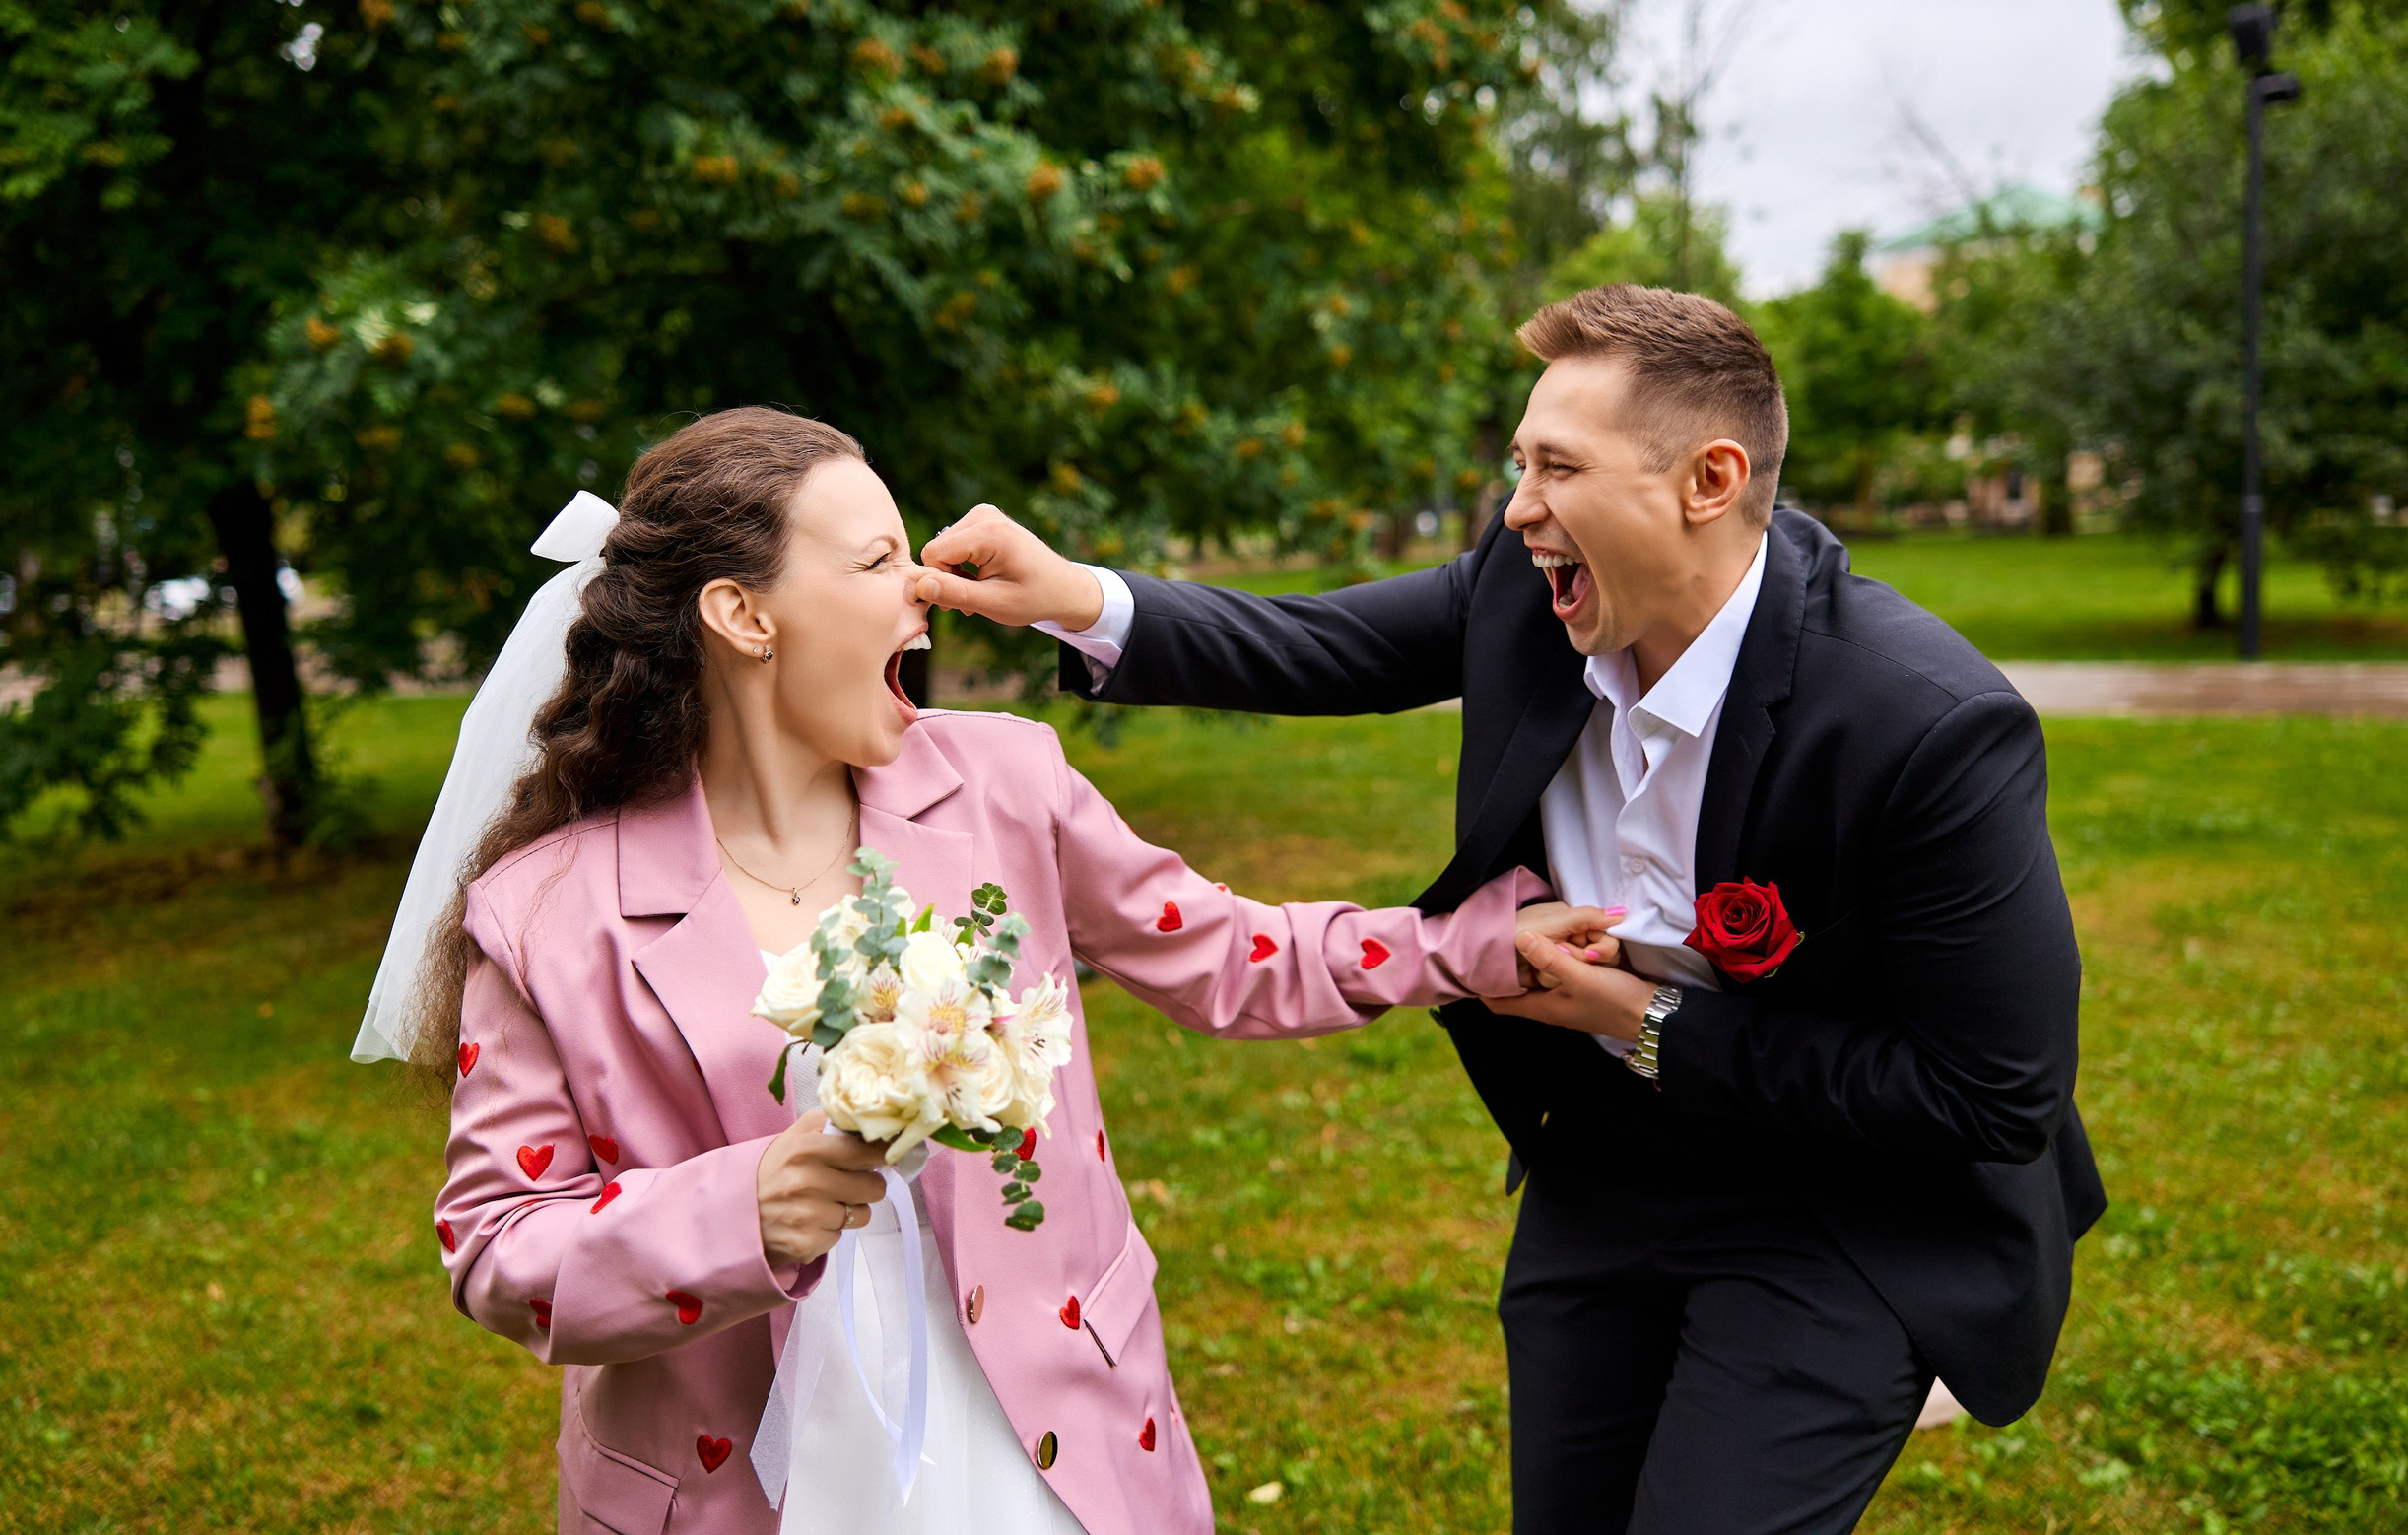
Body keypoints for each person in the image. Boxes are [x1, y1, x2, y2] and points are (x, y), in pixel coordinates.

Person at [912, 284, 2107, 1535]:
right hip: (1599, 1159)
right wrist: (1073, 596)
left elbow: (1991, 1095)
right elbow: (1321, 644)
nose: (1520, 507)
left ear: (1707, 481)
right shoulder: (1529, 588)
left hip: (1836, 1200)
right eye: (1518, 465)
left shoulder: (1925, 725)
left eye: (1558, 468)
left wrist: (1645, 1022)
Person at [353, 407, 1551, 1535]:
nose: (923, 591)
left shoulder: (1005, 786)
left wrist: (1468, 947)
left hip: (1043, 1437)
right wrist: (742, 1209)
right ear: (744, 615)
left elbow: (1229, 953)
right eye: (878, 562)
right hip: (748, 1484)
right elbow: (500, 1249)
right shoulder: (549, 915)